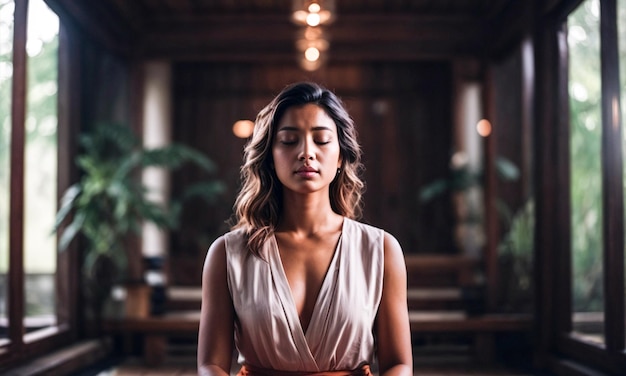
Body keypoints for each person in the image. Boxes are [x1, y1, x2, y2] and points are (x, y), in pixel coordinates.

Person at [197, 82, 413, 376]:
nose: (306, 153)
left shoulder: (380, 250)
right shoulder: (228, 253)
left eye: (322, 140)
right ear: (271, 157)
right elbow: (210, 364)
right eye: (288, 141)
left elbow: (398, 364)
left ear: (340, 157)